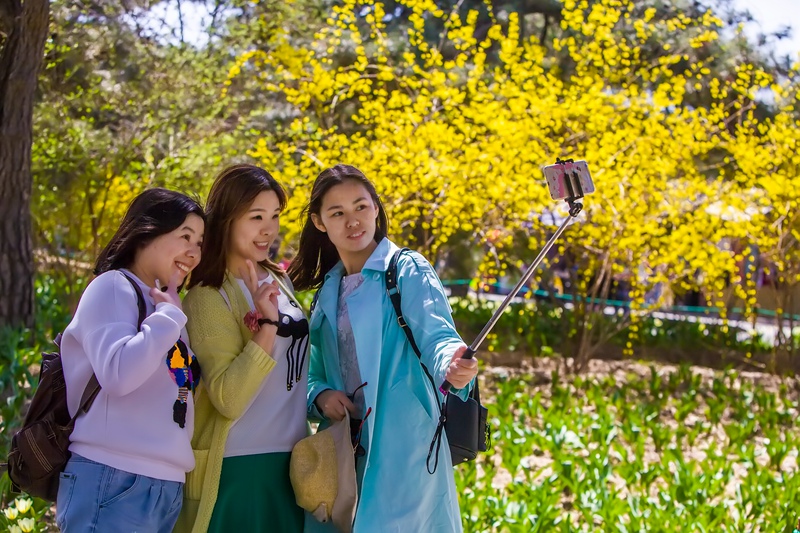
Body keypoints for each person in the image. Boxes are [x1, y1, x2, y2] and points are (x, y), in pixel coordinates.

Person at [288, 163, 479, 532]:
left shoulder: (406, 270)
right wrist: (321, 395)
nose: (353, 221)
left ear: (376, 207)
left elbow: (438, 337)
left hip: (404, 448)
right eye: (337, 213)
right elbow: (311, 373)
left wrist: (453, 364)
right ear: (319, 222)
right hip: (343, 452)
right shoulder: (327, 291)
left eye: (361, 206)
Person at [56, 188, 205, 533]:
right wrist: (168, 316)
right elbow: (119, 374)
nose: (194, 252)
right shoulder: (112, 287)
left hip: (164, 485)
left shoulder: (165, 304)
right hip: (114, 477)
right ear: (146, 232)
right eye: (185, 236)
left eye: (199, 242)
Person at [176, 164, 308, 533]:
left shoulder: (279, 281)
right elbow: (228, 398)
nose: (269, 229)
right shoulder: (207, 296)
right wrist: (266, 326)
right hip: (239, 465)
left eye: (275, 215)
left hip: (293, 462)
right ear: (227, 220)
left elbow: (296, 371)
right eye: (256, 217)